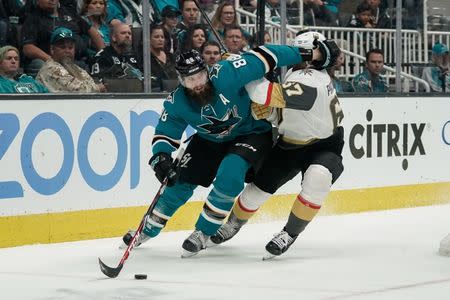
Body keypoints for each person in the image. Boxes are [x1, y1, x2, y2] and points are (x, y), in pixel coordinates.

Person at [121, 38, 340, 258]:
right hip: (208, 140)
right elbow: (166, 130)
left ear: (207, 71)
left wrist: (313, 55)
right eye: (189, 80)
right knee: (179, 182)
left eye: (199, 76)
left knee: (231, 173)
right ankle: (147, 229)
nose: (196, 83)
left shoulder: (227, 72)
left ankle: (203, 232)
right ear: (180, 80)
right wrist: (161, 157)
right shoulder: (176, 101)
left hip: (251, 134)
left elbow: (269, 54)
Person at [208, 31, 344, 259]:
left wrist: (242, 68)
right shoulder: (299, 74)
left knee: (318, 177)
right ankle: (233, 223)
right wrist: (272, 114)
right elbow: (286, 112)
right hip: (290, 143)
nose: (298, 57)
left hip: (324, 145)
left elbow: (264, 93)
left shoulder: (313, 80)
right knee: (256, 192)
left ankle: (290, 233)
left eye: (304, 53)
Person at [36, 27, 106, 93]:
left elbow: (90, 82)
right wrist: (99, 88)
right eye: (62, 47)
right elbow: (77, 90)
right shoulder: (51, 68)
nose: (67, 51)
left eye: (70, 47)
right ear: (52, 49)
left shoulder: (75, 68)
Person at [149, 25, 178, 92]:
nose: (160, 39)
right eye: (156, 37)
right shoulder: (145, 58)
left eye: (162, 37)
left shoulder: (171, 56)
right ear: (148, 39)